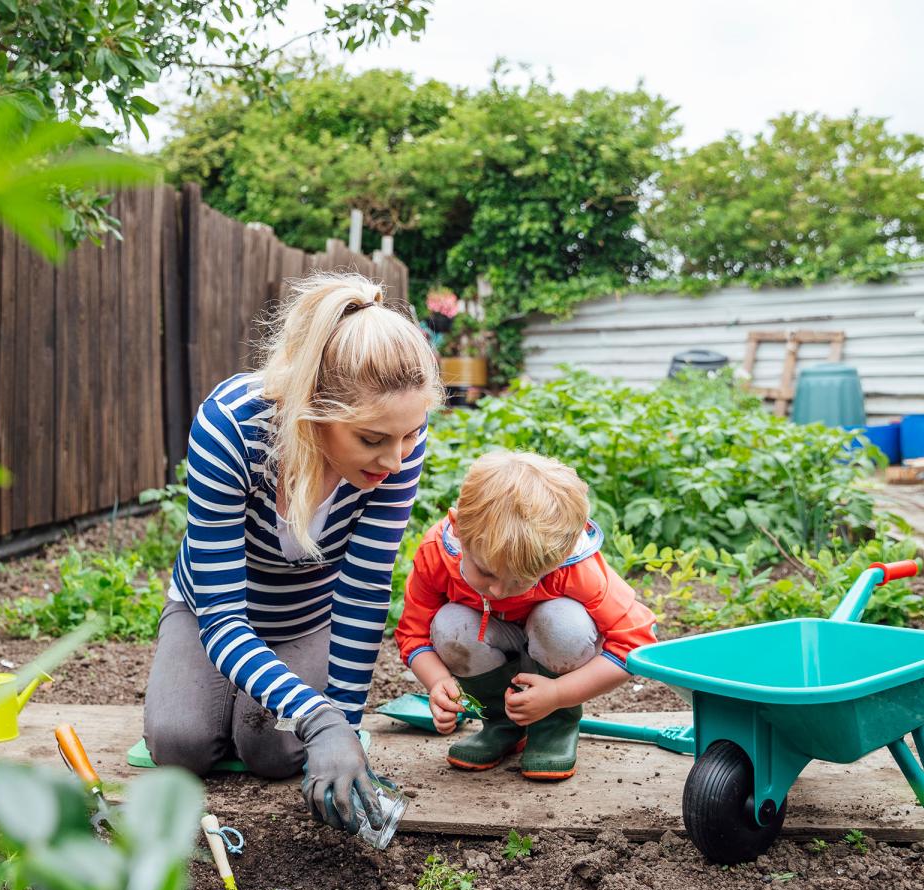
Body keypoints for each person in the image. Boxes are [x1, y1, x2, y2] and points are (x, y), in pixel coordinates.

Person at [144, 272, 443, 833]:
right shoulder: (230, 427)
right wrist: (316, 715)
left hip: (307, 617)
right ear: (313, 410)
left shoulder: (397, 440)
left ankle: (259, 703)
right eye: (373, 440)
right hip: (213, 611)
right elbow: (225, 619)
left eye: (410, 434)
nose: (397, 461)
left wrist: (345, 730)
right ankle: (227, 693)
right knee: (178, 745)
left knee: (273, 752)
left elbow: (361, 594)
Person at [395, 451, 657, 780]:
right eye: (486, 573)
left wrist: (557, 695)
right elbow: (413, 635)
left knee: (563, 623)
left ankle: (553, 727)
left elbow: (635, 644)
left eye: (521, 581)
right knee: (449, 624)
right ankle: (501, 725)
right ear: (458, 528)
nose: (500, 591)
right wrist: (439, 683)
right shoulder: (438, 552)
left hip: (551, 655)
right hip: (492, 646)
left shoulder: (575, 566)